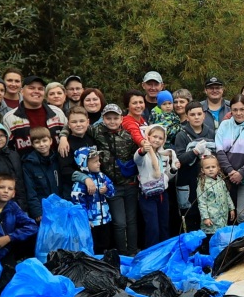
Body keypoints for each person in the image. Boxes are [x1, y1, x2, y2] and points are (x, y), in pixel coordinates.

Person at [92, 102, 142, 252]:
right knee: (120, 223)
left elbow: (138, 156)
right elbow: (74, 125)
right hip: (112, 187)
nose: (112, 121)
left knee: (132, 221)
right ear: (103, 119)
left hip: (130, 184)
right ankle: (122, 253)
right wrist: (63, 136)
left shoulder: (128, 137)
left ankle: (133, 251)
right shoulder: (96, 131)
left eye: (115, 118)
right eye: (108, 118)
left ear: (121, 119)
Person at [0, 173, 38, 267]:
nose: (6, 191)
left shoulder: (13, 207)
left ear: (13, 194)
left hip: (7, 253)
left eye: (10, 189)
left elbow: (32, 226)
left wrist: (9, 237)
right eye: (1, 187)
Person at [135, 125, 177, 245]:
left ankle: (164, 251)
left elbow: (166, 177)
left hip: (162, 195)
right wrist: (143, 150)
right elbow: (137, 158)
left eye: (160, 138)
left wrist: (174, 169)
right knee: (152, 226)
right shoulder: (143, 154)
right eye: (154, 137)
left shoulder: (163, 155)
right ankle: (152, 252)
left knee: (164, 225)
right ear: (148, 137)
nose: (157, 140)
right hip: (147, 196)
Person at [17, 115, 65, 221]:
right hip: (43, 209)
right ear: (32, 144)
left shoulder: (57, 159)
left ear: (51, 141)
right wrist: (37, 211)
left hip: (61, 205)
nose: (42, 144)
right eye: (37, 142)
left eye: (44, 140)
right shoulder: (29, 163)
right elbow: (30, 190)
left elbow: (64, 183)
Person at [69, 146, 116, 253]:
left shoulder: (102, 176)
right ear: (84, 163)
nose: (99, 163)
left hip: (105, 219)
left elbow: (113, 192)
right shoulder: (81, 183)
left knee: (106, 244)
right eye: (95, 161)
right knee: (95, 246)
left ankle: (106, 265)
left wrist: (107, 190)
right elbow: (77, 203)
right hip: (92, 223)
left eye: (98, 160)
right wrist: (85, 219)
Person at [172, 103, 211, 229]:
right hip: (188, 182)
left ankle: (207, 245)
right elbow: (180, 158)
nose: (196, 117)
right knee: (191, 216)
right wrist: (194, 152)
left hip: (207, 182)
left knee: (208, 215)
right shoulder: (181, 135)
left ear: (204, 115)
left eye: (199, 114)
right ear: (187, 117)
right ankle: (194, 247)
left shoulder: (210, 133)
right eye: (192, 114)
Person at [196, 155, 233, 233]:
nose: (211, 169)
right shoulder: (202, 184)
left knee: (222, 234)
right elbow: (201, 202)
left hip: (223, 216)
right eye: (207, 167)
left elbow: (227, 195)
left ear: (218, 168)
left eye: (213, 167)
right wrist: (205, 218)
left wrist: (231, 208)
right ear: (202, 170)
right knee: (212, 237)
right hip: (211, 219)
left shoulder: (221, 181)